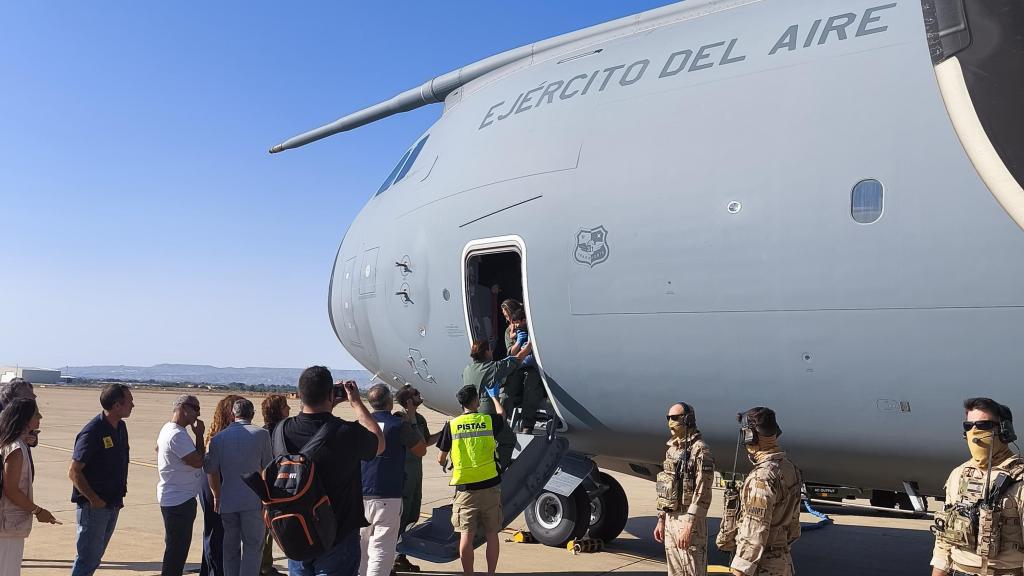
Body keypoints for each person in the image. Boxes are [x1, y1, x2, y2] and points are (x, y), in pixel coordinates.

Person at [279, 367, 384, 576]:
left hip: (297, 532)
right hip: (337, 535)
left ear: (300, 395)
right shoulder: (345, 432)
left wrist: (327, 405)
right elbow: (379, 443)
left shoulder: (281, 431)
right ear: (330, 394)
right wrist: (356, 402)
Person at [931, 397, 1024, 576]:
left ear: (1004, 431)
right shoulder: (958, 475)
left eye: (983, 425)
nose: (975, 432)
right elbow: (943, 541)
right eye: (969, 426)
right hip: (959, 570)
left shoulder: (1020, 479)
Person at [715, 407, 801, 576]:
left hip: (761, 566)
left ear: (750, 436)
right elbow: (794, 526)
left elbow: (756, 529)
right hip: (783, 560)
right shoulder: (790, 469)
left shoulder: (761, 477)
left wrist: (741, 568)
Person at [436, 385, 507, 576]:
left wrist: (446, 462)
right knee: (492, 534)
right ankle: (491, 573)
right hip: (490, 486)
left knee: (466, 535)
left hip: (466, 489)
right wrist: (494, 398)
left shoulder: (451, 425)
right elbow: (502, 415)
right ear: (475, 401)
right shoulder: (487, 420)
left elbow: (441, 458)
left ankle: (469, 574)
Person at [359, 384, 426, 576]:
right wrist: (411, 421)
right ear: (389, 402)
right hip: (387, 495)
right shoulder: (399, 425)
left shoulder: (360, 424)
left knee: (361, 549)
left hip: (360, 493)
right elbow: (421, 449)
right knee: (381, 549)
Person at [69, 383, 134, 576]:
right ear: (116, 405)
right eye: (129, 401)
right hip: (95, 507)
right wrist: (94, 499)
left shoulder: (120, 427)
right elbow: (74, 471)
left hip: (112, 503)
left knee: (94, 558)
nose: (133, 405)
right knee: (87, 559)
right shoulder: (93, 431)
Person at [207, 398, 273, 576]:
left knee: (230, 547)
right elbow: (268, 467)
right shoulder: (261, 434)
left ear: (232, 415)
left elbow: (211, 470)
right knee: (253, 546)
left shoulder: (219, 438)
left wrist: (216, 495)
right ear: (252, 414)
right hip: (253, 500)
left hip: (228, 500)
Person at [0, 398, 60, 573]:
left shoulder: (12, 442)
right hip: (7, 525)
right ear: (25, 419)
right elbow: (11, 490)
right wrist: (38, 511)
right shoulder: (16, 449)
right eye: (36, 414)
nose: (40, 417)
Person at [654, 402, 714, 576]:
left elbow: (703, 492)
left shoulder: (701, 451)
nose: (670, 422)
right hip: (671, 519)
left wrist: (689, 525)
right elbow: (666, 486)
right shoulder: (672, 450)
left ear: (688, 420)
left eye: (675, 418)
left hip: (689, 522)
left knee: (692, 570)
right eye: (668, 418)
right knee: (674, 572)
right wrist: (661, 518)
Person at [157, 394, 206, 576]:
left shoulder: (169, 429)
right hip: (179, 500)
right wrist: (200, 435)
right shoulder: (176, 434)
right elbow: (198, 461)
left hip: (176, 497)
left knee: (176, 547)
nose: (198, 414)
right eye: (196, 408)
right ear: (184, 408)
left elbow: (157, 448)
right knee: (177, 550)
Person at [462, 339, 530, 469]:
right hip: (488, 416)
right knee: (508, 440)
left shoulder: (467, 369)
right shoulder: (492, 368)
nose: (492, 351)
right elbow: (518, 358)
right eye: (490, 349)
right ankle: (499, 467)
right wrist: (531, 343)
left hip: (470, 413)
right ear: (486, 352)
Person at [393, 385, 439, 574]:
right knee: (400, 517)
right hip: (403, 476)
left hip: (416, 475)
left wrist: (446, 433)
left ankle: (401, 555)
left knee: (413, 515)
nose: (420, 396)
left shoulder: (419, 419)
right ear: (408, 401)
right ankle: (393, 555)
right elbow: (417, 444)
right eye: (415, 395)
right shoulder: (399, 419)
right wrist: (410, 420)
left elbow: (425, 441)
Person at [200, 394, 244, 576]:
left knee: (215, 532)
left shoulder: (218, 435)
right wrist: (217, 493)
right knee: (218, 534)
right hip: (215, 485)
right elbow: (213, 469)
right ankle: (216, 572)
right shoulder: (221, 438)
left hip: (214, 484)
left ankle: (209, 570)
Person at [259, 394, 290, 576]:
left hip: (265, 489)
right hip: (276, 488)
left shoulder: (262, 432)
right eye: (285, 406)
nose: (289, 410)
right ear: (278, 411)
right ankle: (264, 567)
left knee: (265, 532)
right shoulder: (282, 433)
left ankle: (264, 565)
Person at [502, 308, 545, 434]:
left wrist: (519, 360)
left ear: (524, 320)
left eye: (516, 322)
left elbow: (530, 353)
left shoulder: (533, 329)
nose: (513, 324)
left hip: (532, 367)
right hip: (520, 365)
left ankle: (527, 424)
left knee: (532, 386)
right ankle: (502, 419)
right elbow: (512, 351)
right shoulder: (513, 331)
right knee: (508, 385)